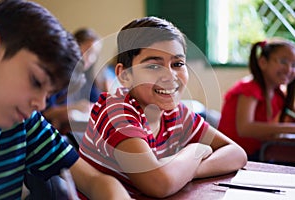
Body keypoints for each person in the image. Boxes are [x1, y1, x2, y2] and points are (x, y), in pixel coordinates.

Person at [79, 16, 247, 199]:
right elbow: (159, 184)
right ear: (125, 75)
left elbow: (237, 153)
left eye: (177, 64)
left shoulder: (175, 113)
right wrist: (196, 150)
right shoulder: (115, 112)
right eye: (153, 65)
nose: (170, 75)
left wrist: (188, 169)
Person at [0, 0, 132, 199]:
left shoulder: (25, 123)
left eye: (49, 94)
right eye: (36, 80)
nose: (41, 104)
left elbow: (95, 180)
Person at [218, 38, 295, 161]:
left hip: (255, 153)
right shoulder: (249, 88)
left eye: (293, 65)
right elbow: (244, 128)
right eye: (283, 61)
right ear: (263, 62)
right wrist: (291, 128)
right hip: (232, 155)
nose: (289, 69)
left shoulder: (278, 94)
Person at [43, 28, 102, 134]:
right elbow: (45, 112)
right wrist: (74, 107)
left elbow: (96, 103)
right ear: (75, 46)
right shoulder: (58, 74)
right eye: (89, 51)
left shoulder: (88, 77)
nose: (91, 58)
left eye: (95, 55)